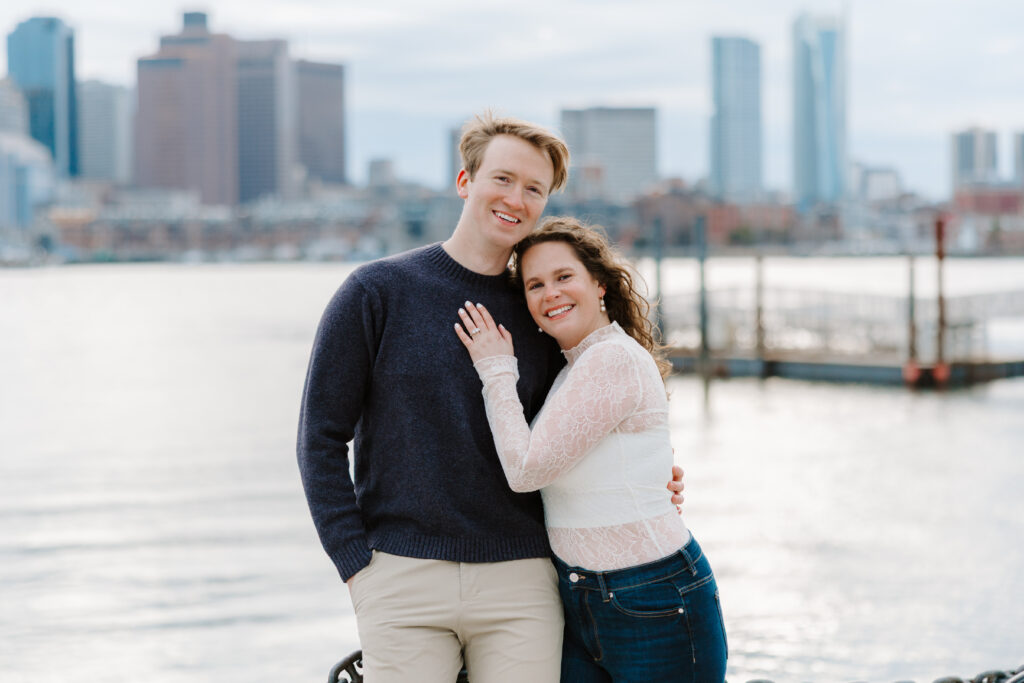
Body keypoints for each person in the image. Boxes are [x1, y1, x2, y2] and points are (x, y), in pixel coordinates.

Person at [297, 112, 685, 683]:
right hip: (401, 575)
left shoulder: (544, 310)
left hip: (523, 579)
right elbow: (320, 437)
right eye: (502, 179)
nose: (516, 198)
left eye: (534, 189)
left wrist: (656, 477)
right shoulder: (375, 292)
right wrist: (355, 563)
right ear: (465, 181)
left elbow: (590, 422)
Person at [454, 217, 727, 682]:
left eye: (564, 277)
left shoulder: (612, 357)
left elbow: (524, 470)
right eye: (535, 285)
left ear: (598, 284)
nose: (550, 293)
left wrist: (496, 369)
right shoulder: (572, 368)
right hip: (582, 595)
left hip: (653, 596)